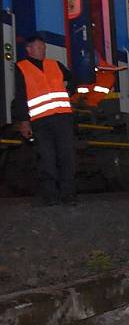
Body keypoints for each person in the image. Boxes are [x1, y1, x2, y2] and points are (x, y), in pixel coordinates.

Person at [12, 35, 76, 206]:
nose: (43, 50)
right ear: (29, 49)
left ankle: (68, 195)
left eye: (44, 47)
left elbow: (73, 80)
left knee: (66, 157)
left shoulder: (55, 64)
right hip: (40, 121)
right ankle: (51, 196)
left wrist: (68, 91)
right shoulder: (21, 68)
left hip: (63, 118)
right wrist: (24, 122)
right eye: (39, 48)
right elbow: (20, 96)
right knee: (47, 158)